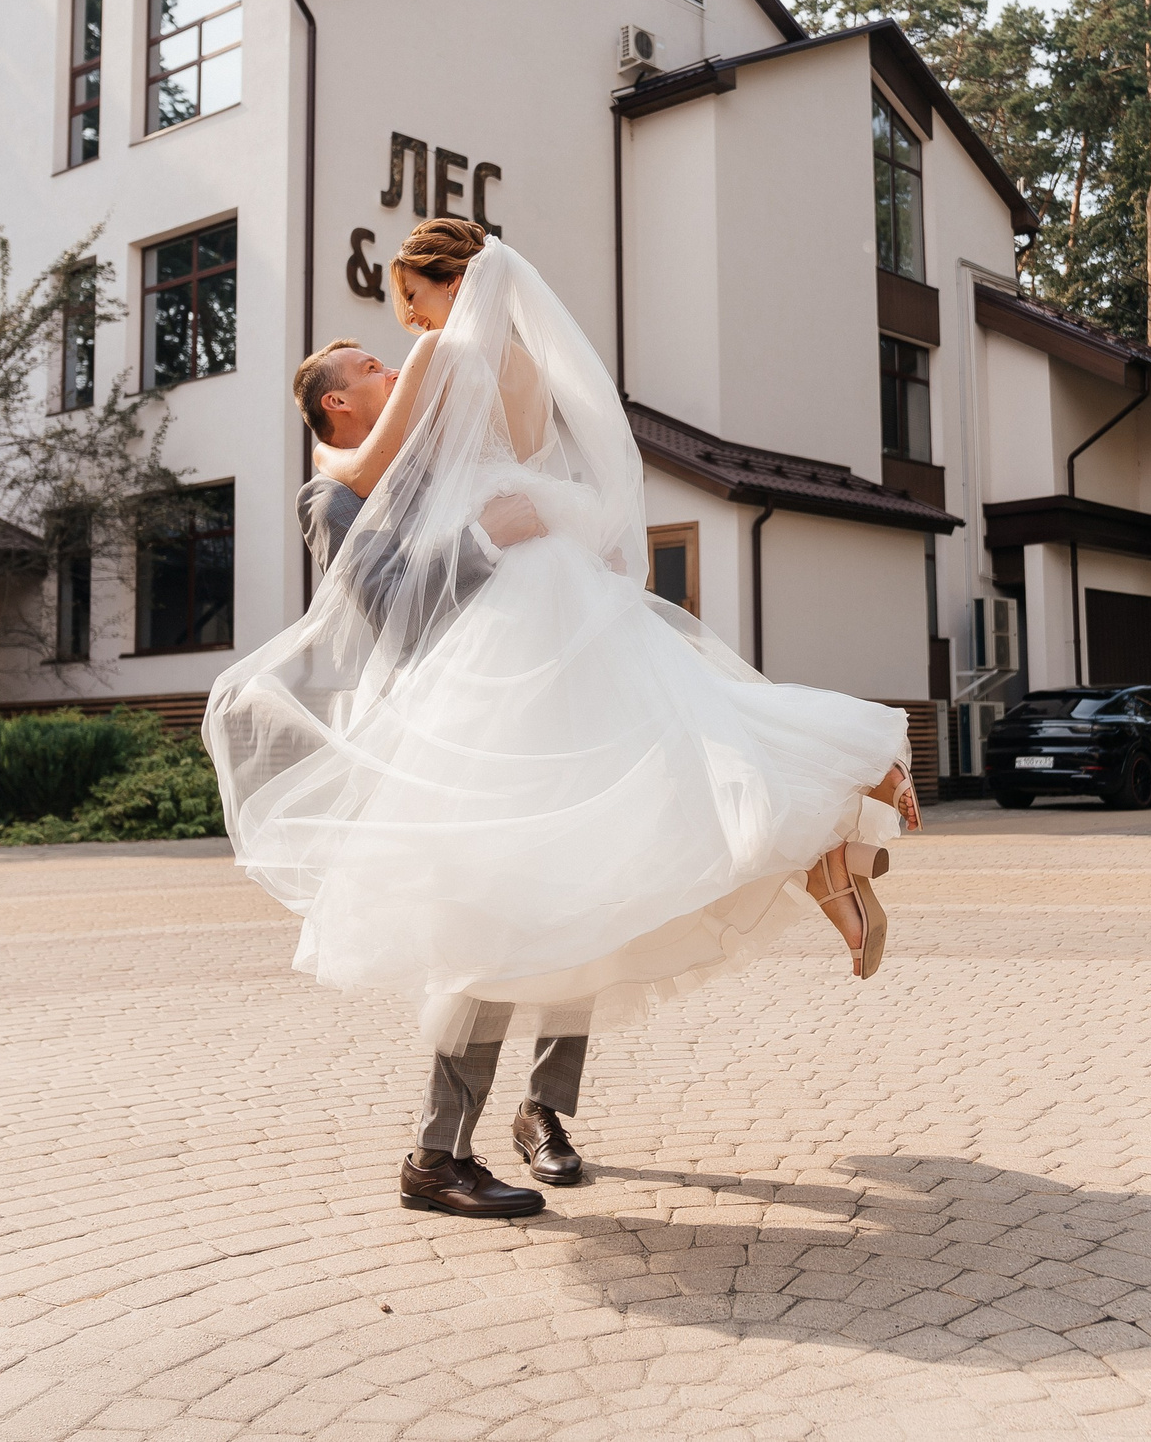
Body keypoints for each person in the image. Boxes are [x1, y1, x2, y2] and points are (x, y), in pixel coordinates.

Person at [206, 218, 917, 1222]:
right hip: (464, 707)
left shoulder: (451, 395)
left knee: (595, 878)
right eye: (366, 364)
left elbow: (502, 444)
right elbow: (384, 603)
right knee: (499, 911)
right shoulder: (347, 487)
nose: (393, 351)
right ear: (337, 401)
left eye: (400, 323)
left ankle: (541, 1110)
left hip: (534, 667)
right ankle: (436, 1152)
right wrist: (486, 541)